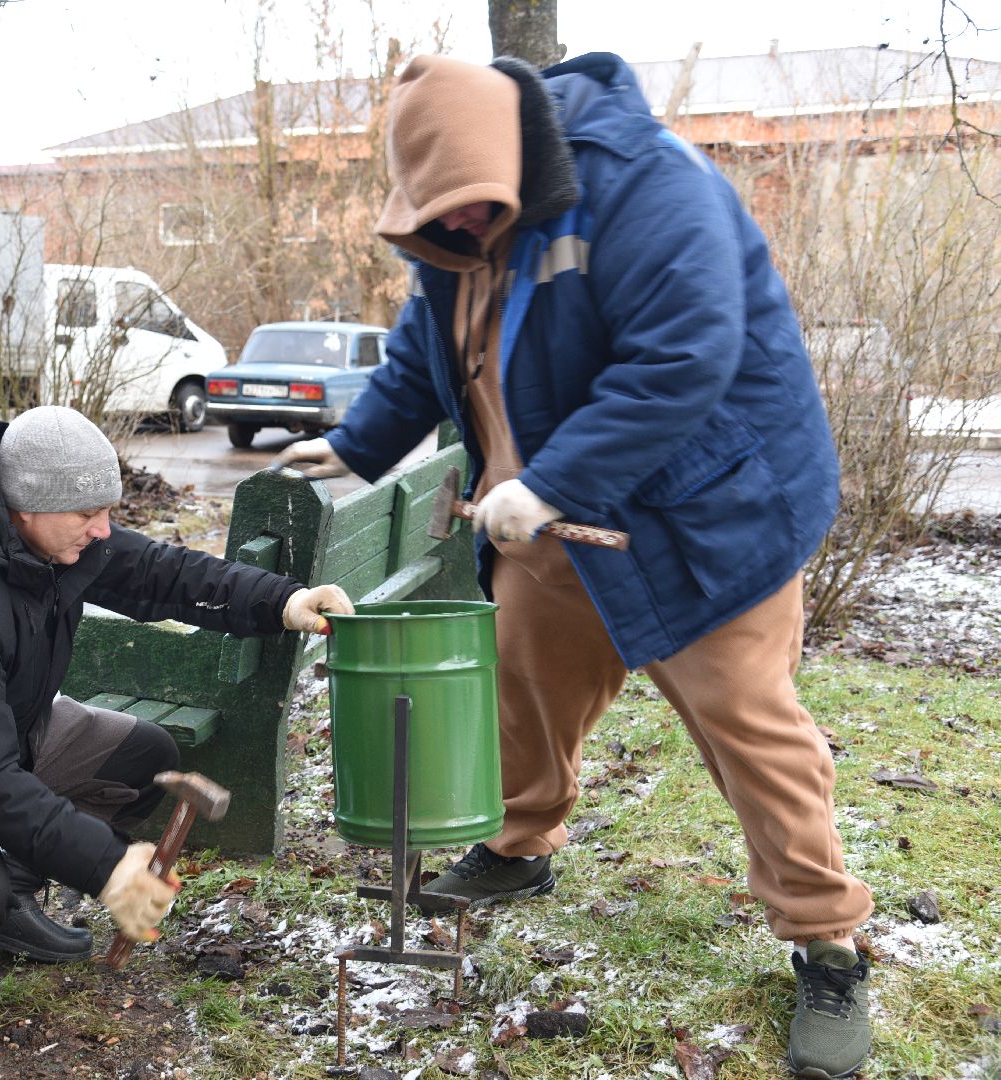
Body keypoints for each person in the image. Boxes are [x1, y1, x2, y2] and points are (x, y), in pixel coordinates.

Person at [275, 52, 874, 1079]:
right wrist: (360, 441)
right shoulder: (455, 226)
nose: (457, 230)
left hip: (705, 514)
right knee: (523, 682)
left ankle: (827, 943)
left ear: (518, 161)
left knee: (748, 725)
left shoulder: (651, 186)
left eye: (470, 211)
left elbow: (682, 355)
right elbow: (431, 334)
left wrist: (550, 482)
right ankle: (517, 846)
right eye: (437, 216)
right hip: (547, 519)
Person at [0, 405, 351, 1034]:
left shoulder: (59, 540)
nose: (102, 529)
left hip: (0, 733)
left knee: (143, 756)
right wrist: (105, 866)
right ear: (23, 506)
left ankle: (7, 896)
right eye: (87, 513)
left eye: (107, 509)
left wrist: (281, 600)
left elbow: (161, 572)